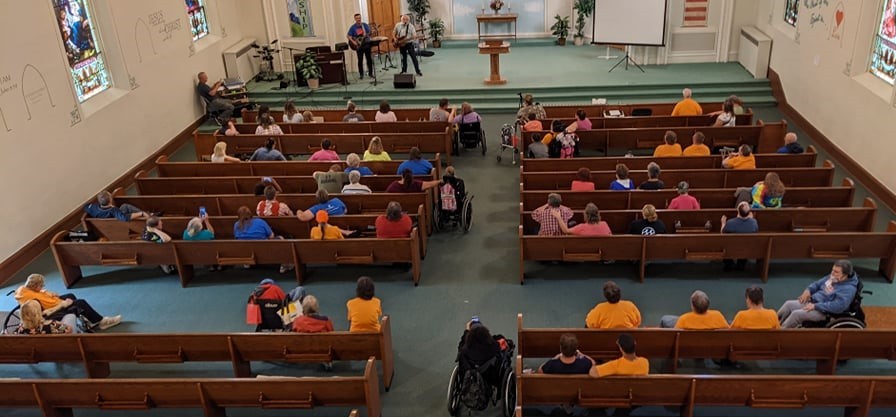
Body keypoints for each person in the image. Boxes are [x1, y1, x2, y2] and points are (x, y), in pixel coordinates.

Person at [14, 273, 122, 330]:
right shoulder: (33, 302)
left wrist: (48, 293)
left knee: (70, 295)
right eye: (41, 285)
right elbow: (43, 314)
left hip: (47, 305)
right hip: (49, 313)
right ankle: (101, 322)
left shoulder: (23, 290)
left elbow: (39, 292)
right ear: (35, 286)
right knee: (80, 302)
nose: (43, 287)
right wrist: (62, 304)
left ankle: (88, 319)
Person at [778, 260, 859, 328]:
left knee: (796, 314)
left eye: (836, 272)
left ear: (845, 275)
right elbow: (817, 284)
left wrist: (816, 306)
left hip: (824, 311)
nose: (832, 273)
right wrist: (808, 290)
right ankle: (774, 322)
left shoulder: (848, 289)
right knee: (788, 304)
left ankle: (779, 332)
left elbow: (838, 306)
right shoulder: (834, 277)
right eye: (832, 270)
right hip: (813, 302)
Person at [234, 206, 293, 273]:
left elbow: (237, 238)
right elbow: (271, 236)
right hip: (265, 250)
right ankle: (284, 263)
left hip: (247, 252)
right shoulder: (259, 221)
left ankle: (247, 263)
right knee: (280, 239)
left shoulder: (236, 225)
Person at [456, 320, 503, 388]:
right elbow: (498, 348)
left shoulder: (465, 350)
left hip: (470, 376)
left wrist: (466, 330)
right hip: (489, 377)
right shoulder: (492, 347)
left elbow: (461, 347)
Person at [660, 290, 729, 329]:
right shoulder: (718, 316)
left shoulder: (684, 319)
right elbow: (728, 330)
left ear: (692, 306)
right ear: (708, 305)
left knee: (665, 319)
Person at [721, 202, 759, 271]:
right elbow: (755, 231)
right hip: (746, 248)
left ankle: (729, 264)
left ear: (738, 210)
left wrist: (723, 223)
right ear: (749, 212)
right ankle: (741, 264)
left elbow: (722, 234)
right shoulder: (754, 222)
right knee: (746, 243)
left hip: (731, 248)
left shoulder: (730, 222)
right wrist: (751, 219)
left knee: (724, 242)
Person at [84, 190, 150, 221]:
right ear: (110, 200)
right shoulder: (113, 210)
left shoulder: (93, 208)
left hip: (105, 216)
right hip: (115, 219)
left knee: (124, 206)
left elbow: (86, 206)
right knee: (126, 206)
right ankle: (146, 215)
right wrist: (141, 213)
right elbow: (124, 218)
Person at [347, 13, 374, 79]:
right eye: (357, 18)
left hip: (367, 45)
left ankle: (371, 74)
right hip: (359, 46)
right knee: (360, 60)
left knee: (369, 59)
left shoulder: (365, 25)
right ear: (355, 19)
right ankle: (361, 74)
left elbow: (369, 34)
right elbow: (348, 36)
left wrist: (371, 32)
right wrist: (353, 42)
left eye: (359, 18)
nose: (358, 19)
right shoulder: (353, 27)